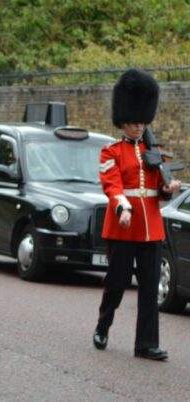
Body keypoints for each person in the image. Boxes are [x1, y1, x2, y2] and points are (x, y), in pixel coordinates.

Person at [93, 69, 181, 361]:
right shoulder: (112, 152)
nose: (138, 127)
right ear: (123, 122)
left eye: (142, 122)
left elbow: (160, 191)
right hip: (123, 227)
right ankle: (103, 324)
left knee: (149, 288)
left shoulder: (155, 153)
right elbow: (112, 184)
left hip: (151, 229)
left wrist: (170, 188)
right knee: (117, 284)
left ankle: (146, 344)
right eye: (133, 123)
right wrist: (122, 207)